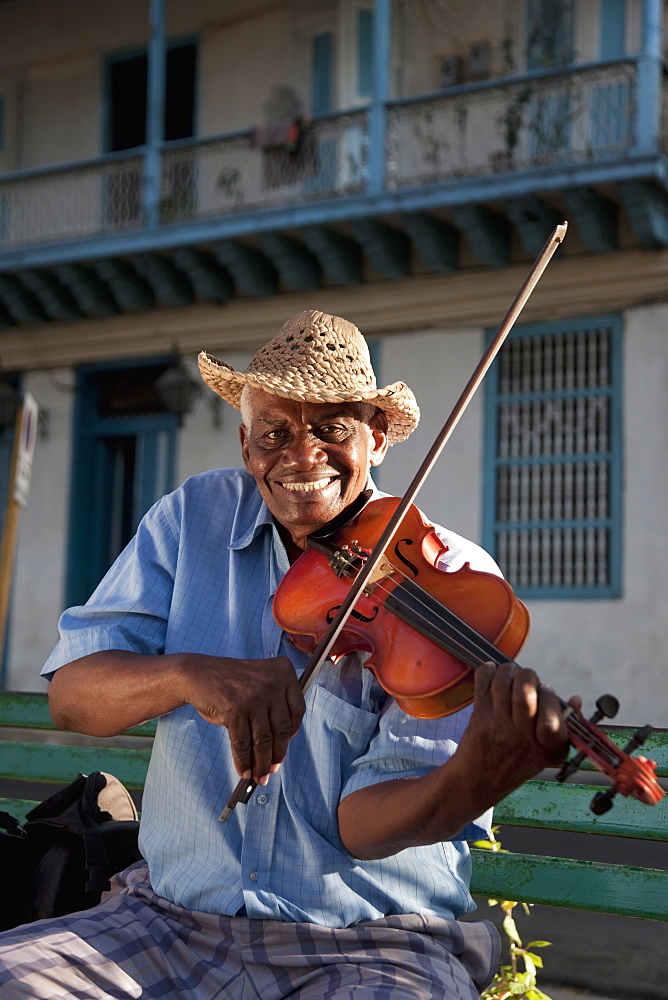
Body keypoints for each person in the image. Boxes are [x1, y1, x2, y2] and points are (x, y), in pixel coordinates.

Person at [0, 310, 572, 999]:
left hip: (369, 946)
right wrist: (186, 673)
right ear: (247, 446)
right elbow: (73, 697)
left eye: (331, 429)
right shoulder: (193, 519)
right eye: (276, 433)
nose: (301, 457)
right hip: (169, 923)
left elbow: (362, 828)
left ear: (377, 438)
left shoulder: (452, 584)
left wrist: (474, 777)